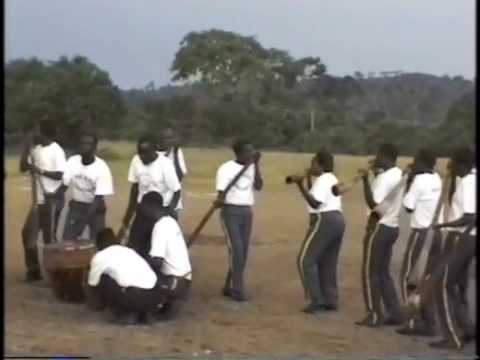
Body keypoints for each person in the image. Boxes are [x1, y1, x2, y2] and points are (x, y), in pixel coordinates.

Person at [428, 147, 476, 349]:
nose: (452, 167)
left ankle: (452, 337)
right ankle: (467, 328)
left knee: (442, 284)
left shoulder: (468, 182)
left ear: (462, 164)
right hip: (468, 238)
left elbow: (469, 216)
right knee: (456, 284)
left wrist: (443, 225)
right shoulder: (468, 180)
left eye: (454, 163)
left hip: (463, 238)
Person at [289, 150, 346, 313]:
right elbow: (314, 193)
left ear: (320, 165)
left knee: (305, 260)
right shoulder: (330, 178)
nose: (311, 166)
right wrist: (305, 179)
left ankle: (316, 298)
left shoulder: (323, 180)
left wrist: (299, 185)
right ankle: (330, 298)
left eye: (313, 163)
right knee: (328, 262)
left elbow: (315, 203)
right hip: (338, 220)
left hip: (325, 220)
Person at [356, 143, 405, 327]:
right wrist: (375, 174)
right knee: (383, 273)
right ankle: (395, 312)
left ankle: (374, 314)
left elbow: (373, 204)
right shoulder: (397, 174)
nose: (376, 158)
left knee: (370, 273)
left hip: (378, 227)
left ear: (385, 156)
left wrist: (365, 180)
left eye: (378, 155)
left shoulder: (385, 178)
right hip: (392, 226)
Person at [215, 140, 263, 302]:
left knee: (243, 252)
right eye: (248, 151)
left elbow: (258, 186)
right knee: (237, 249)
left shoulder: (251, 166)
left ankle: (229, 286)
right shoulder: (226, 168)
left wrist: (256, 165)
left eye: (252, 151)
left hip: (246, 212)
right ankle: (237, 289)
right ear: (239, 153)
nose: (251, 154)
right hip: (230, 212)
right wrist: (220, 200)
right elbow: (221, 194)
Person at [85, 228, 164, 325]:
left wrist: (95, 304)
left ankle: (127, 313)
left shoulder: (100, 256)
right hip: (156, 295)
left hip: (133, 297)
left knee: (103, 279)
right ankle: (144, 312)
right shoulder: (129, 250)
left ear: (98, 245)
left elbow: (92, 283)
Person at [119, 135, 181, 258]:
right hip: (142, 211)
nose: (142, 157)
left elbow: (176, 191)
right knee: (134, 245)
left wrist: (166, 215)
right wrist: (128, 214)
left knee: (156, 248)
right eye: (140, 153)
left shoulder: (165, 164)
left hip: (161, 211)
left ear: (154, 150)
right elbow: (135, 188)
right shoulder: (136, 161)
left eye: (146, 153)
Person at [20, 121, 67, 281]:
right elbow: (22, 167)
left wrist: (39, 170)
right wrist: (26, 146)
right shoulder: (35, 150)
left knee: (49, 239)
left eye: (37, 130)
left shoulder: (56, 150)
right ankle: (34, 271)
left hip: (52, 199)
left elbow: (61, 175)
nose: (35, 133)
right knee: (27, 234)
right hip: (37, 201)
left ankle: (55, 274)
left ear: (44, 133)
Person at [398, 149, 442, 304]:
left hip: (421, 233)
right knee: (426, 276)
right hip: (437, 232)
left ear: (422, 163)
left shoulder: (419, 180)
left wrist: (409, 178)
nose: (413, 164)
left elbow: (408, 207)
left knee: (408, 275)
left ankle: (411, 319)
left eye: (416, 161)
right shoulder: (437, 178)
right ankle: (425, 317)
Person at [141, 191, 192, 321]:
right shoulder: (170, 221)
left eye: (143, 208)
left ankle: (161, 301)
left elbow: (157, 262)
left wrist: (140, 263)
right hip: (184, 280)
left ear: (150, 207)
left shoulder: (160, 226)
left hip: (174, 283)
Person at [62, 131, 114, 241]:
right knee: (67, 240)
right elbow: (64, 185)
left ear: (95, 147)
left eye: (88, 144)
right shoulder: (72, 161)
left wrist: (82, 223)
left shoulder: (101, 168)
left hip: (95, 207)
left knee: (97, 241)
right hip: (77, 206)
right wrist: (54, 199)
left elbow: (98, 198)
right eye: (82, 143)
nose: (84, 147)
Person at [157, 128, 187, 220]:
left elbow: (180, 176)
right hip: (156, 200)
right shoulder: (154, 153)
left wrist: (175, 154)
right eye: (166, 138)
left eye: (171, 138)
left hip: (172, 201)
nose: (169, 141)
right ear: (160, 140)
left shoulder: (177, 152)